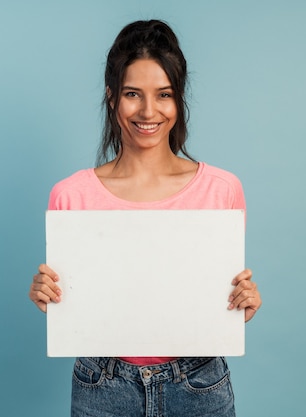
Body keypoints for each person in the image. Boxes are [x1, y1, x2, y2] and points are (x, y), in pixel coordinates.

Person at [29, 19, 262, 417]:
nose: (149, 111)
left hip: (199, 384)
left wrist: (243, 300)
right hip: (102, 386)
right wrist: (48, 294)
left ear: (179, 99)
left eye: (164, 94)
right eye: (133, 94)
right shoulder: (70, 195)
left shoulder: (222, 190)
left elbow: (213, 298)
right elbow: (75, 302)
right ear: (111, 97)